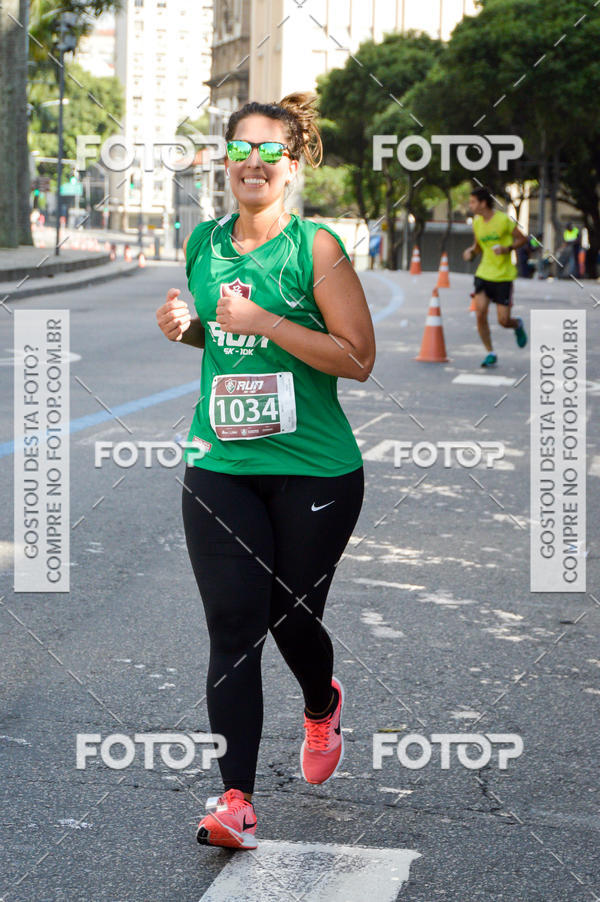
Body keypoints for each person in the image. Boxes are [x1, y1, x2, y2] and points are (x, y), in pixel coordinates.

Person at [155, 92, 375, 852]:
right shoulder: (204, 241)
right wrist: (189, 329)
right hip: (220, 461)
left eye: (271, 149)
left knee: (289, 617)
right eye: (241, 148)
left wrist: (267, 322)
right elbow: (222, 342)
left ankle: (321, 701)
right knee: (233, 625)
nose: (254, 161)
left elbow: (357, 358)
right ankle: (235, 800)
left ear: (293, 162)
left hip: (315, 470)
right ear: (225, 160)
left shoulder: (318, 249)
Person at [463, 186, 528, 367]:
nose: (470, 205)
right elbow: (478, 246)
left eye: (473, 202)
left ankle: (517, 325)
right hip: (484, 274)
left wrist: (507, 248)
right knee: (480, 314)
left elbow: (522, 239)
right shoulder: (477, 223)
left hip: (503, 276)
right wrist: (471, 253)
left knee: (503, 320)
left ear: (483, 203)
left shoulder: (503, 220)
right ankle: (490, 352)